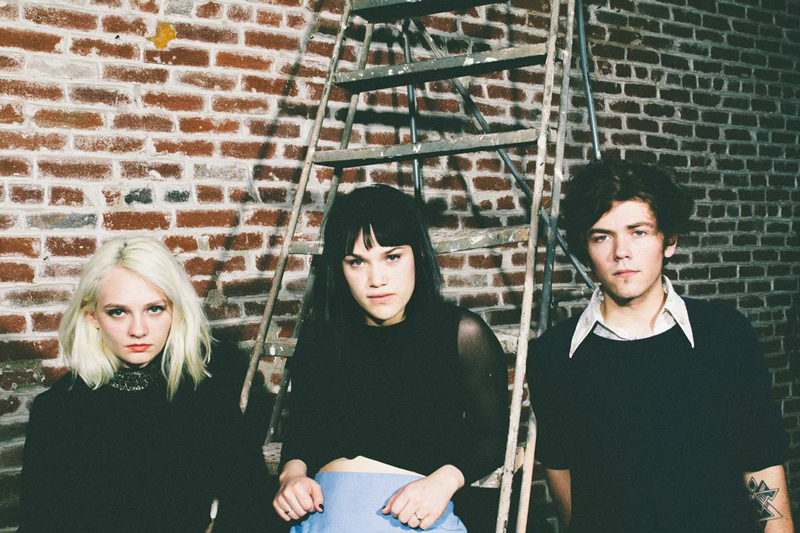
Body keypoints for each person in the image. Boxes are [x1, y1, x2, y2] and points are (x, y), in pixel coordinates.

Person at [527, 160, 793, 533]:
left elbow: (761, 459)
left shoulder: (725, 335)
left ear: (669, 241)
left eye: (638, 232)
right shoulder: (554, 355)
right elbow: (564, 479)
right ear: (585, 248)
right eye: (602, 236)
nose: (621, 252)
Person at [273, 184, 509, 531]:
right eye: (357, 262)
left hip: (414, 517)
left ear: (420, 255)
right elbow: (303, 430)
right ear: (340, 268)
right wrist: (292, 476)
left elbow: (493, 436)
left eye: (392, 257)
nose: (376, 280)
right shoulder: (321, 337)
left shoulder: (460, 333)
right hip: (326, 517)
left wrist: (444, 482)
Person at [20, 235, 268, 533]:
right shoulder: (58, 411)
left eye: (154, 309)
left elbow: (249, 499)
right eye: (118, 312)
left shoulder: (206, 395)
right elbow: (40, 523)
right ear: (92, 316)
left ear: (175, 311)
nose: (138, 330)